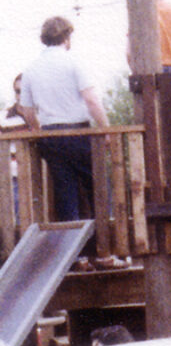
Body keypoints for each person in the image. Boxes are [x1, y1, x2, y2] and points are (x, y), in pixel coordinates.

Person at [17, 16, 109, 222]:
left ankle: (73, 250)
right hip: (79, 132)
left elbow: (27, 109)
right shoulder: (75, 62)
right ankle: (103, 245)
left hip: (51, 135)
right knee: (98, 188)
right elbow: (91, 99)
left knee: (65, 192)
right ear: (67, 37)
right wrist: (106, 129)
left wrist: (37, 130)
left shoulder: (31, 68)